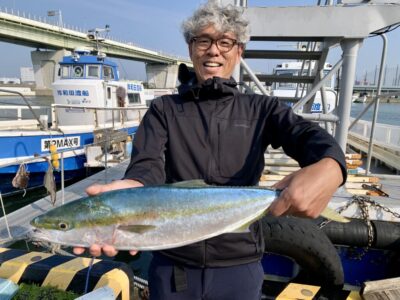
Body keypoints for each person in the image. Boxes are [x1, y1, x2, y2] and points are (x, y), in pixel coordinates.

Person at [74, 1, 347, 299]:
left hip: (239, 265)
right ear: (191, 48)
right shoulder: (164, 110)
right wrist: (134, 186)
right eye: (203, 40)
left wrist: (332, 166)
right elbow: (147, 164)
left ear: (238, 51)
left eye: (225, 42)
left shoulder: (261, 109)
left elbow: (307, 135)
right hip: (173, 264)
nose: (213, 50)